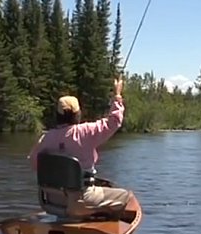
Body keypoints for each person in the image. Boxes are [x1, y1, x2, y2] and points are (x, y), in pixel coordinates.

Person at [27, 78, 132, 214]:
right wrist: (117, 96)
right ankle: (100, 224)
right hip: (81, 199)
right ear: (77, 114)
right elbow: (114, 121)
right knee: (126, 197)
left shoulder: (46, 138)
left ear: (57, 115)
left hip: (52, 200)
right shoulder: (85, 132)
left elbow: (33, 163)